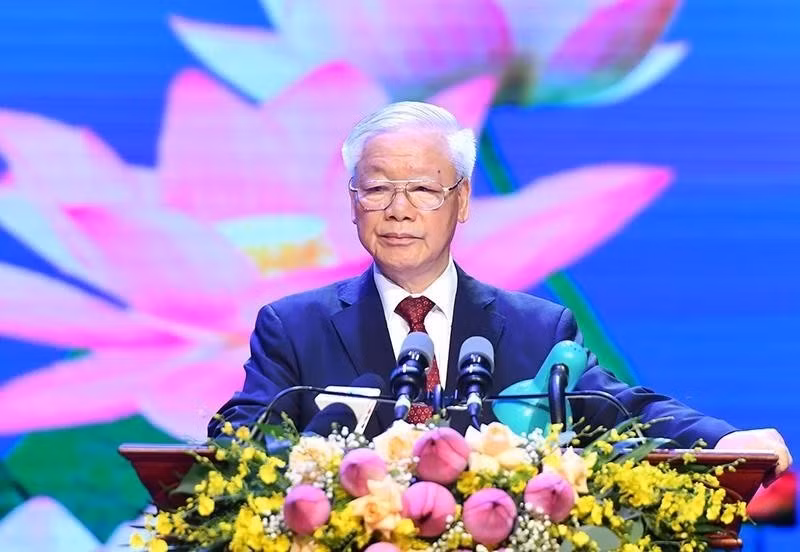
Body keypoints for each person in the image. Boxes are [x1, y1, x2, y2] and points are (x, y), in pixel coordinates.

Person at [210, 101, 791, 476]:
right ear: (353, 203)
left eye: (423, 190)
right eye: (378, 189)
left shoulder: (535, 329)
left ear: (461, 201)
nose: (398, 210)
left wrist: (723, 440)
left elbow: (621, 409)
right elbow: (244, 431)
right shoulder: (294, 327)